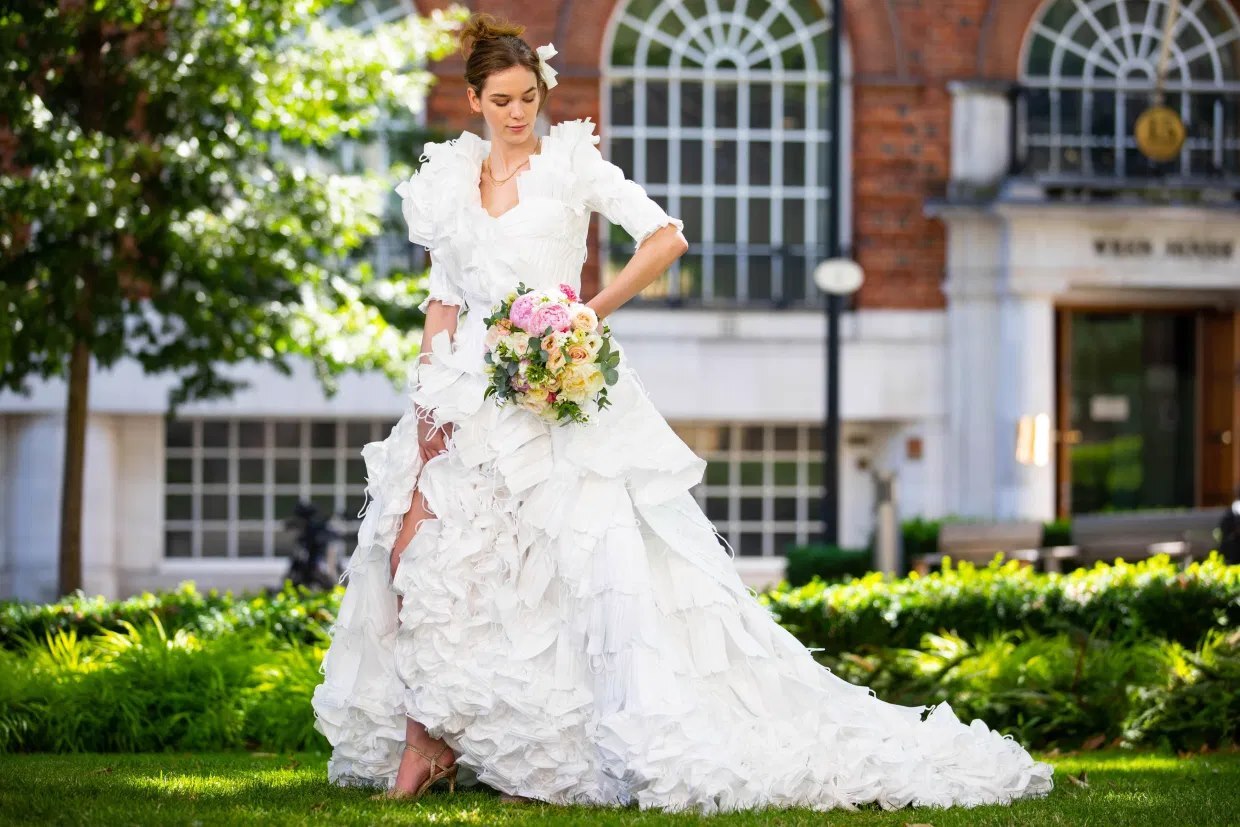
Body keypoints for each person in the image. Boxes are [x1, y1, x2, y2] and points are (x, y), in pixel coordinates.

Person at [310, 12, 1054, 814]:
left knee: (571, 570)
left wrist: (579, 316)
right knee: (413, 551)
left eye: (528, 97)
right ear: (474, 101)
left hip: (554, 390)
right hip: (461, 392)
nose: (518, 113)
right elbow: (442, 300)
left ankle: (518, 743)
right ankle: (428, 735)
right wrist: (428, 396)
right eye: (502, 101)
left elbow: (666, 239)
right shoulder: (450, 181)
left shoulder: (572, 166)